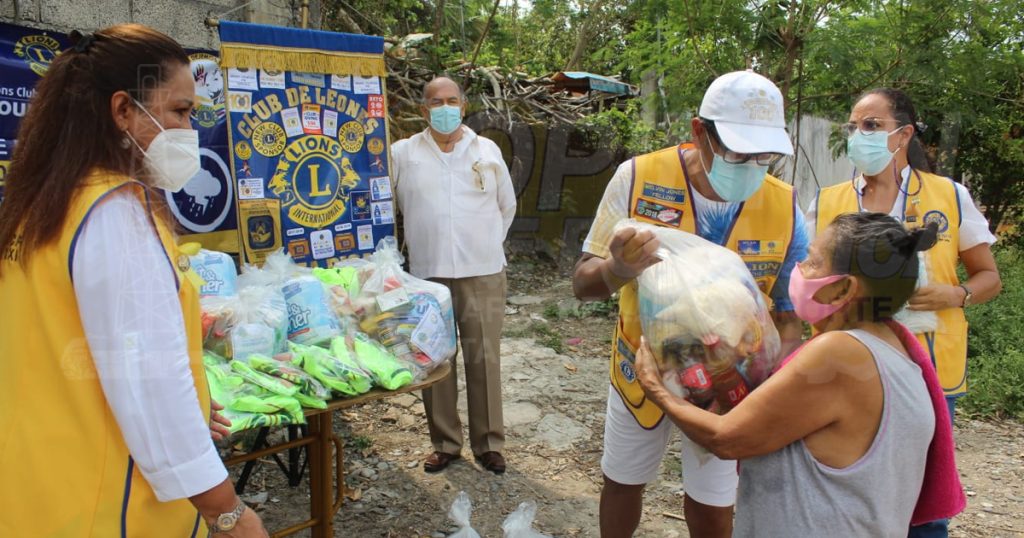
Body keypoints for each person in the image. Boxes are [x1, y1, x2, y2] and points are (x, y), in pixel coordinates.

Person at [0, 25, 267, 537]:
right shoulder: (114, 215)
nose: (190, 129)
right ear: (123, 111)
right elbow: (152, 382)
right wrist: (227, 513)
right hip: (105, 502)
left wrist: (190, 396)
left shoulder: (39, 206)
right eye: (180, 112)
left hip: (34, 488)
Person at [572, 71, 808, 538]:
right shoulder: (639, 178)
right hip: (642, 371)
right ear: (700, 131)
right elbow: (583, 283)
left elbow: (789, 311)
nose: (752, 165)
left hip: (731, 384)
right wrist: (618, 269)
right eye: (738, 151)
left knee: (714, 500)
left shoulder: (785, 205)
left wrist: (772, 380)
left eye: (764, 155)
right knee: (623, 480)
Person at [634, 212, 946, 537]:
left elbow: (725, 438)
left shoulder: (839, 355)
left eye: (812, 262)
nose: (800, 270)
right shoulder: (893, 348)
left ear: (842, 291)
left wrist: (656, 387)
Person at [809, 88, 1002, 536]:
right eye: (853, 126)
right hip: (849, 363)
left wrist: (957, 295)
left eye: (872, 126)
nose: (860, 135)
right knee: (849, 482)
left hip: (928, 366)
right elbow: (810, 277)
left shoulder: (948, 197)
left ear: (904, 134)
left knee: (924, 499)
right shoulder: (828, 201)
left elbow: (989, 277)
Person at [391, 76, 517, 474]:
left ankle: (488, 443)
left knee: (484, 358)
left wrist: (484, 247)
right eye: (435, 102)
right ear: (423, 109)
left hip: (483, 272)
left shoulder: (487, 150)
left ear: (463, 106)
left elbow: (506, 207)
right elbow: (389, 207)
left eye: (451, 101)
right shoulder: (403, 153)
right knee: (436, 360)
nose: (443, 108)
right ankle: (445, 443)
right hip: (427, 276)